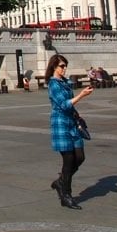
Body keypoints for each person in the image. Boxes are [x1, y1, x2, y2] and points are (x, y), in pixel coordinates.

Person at [46, 54, 94, 210]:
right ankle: (66, 195)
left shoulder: (65, 82)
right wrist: (81, 95)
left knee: (80, 157)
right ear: (54, 67)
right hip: (61, 124)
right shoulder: (53, 84)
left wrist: (77, 114)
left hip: (72, 122)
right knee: (68, 160)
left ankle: (61, 182)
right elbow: (64, 104)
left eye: (65, 66)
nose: (64, 69)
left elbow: (70, 106)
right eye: (61, 66)